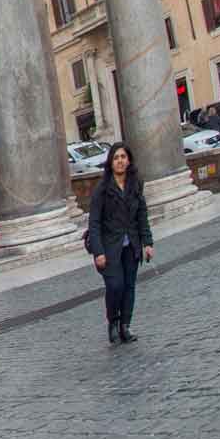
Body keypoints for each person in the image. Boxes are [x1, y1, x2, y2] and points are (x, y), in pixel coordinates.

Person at [86, 142, 153, 344]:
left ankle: (125, 325)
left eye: (123, 157)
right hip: (109, 246)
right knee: (115, 286)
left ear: (129, 160)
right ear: (110, 162)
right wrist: (98, 252)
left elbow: (142, 214)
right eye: (116, 158)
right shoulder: (102, 189)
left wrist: (147, 242)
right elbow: (94, 222)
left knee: (129, 287)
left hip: (131, 244)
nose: (120, 161)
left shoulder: (135, 184)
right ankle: (113, 321)